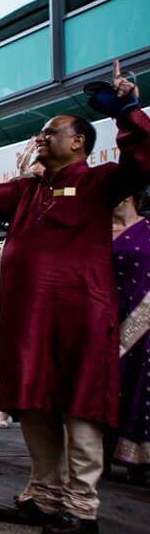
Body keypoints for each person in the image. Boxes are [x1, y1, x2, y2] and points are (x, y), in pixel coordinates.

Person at [0, 60, 150, 534]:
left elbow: (144, 162)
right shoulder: (28, 191)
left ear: (78, 141)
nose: (40, 138)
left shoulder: (100, 183)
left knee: (80, 407)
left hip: (82, 318)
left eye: (49, 131)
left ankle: (81, 506)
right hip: (29, 321)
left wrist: (128, 112)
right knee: (32, 403)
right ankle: (44, 496)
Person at [111, 195, 150, 484]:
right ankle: (99, 455)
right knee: (110, 386)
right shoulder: (95, 232)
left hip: (144, 319)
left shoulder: (147, 230)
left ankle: (139, 460)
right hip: (106, 319)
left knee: (140, 386)